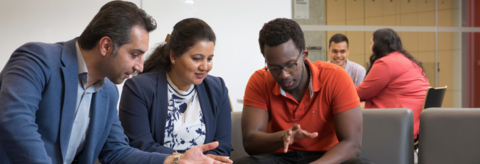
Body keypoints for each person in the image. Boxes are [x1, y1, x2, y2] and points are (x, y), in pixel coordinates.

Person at [0, 1, 231, 164]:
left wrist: (176, 160)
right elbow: (14, 120)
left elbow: (117, 153)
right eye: (134, 55)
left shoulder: (108, 92)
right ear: (106, 46)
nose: (141, 66)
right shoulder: (36, 58)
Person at [235, 18, 371, 164]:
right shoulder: (260, 80)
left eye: (290, 65)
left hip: (326, 158)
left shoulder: (336, 77)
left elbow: (352, 144)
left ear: (305, 53)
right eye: (274, 67)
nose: (284, 75)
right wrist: (283, 136)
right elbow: (250, 142)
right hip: (279, 157)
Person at [119, 18, 232, 157]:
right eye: (197, 58)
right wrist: (185, 160)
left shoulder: (217, 88)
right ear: (173, 56)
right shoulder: (138, 88)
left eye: (209, 59)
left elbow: (223, 146)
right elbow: (141, 145)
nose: (205, 67)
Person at [356, 28, 429, 140]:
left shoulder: (385, 63)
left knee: (349, 108)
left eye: (371, 43)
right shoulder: (408, 61)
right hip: (414, 121)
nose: (370, 47)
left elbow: (362, 93)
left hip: (400, 120)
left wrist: (340, 89)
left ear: (378, 45)